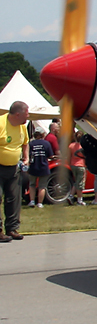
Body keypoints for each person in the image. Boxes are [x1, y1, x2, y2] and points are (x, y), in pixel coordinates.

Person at [0, 101, 30, 241]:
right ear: (18, 114)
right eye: (26, 113)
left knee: (14, 198)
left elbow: (25, 143)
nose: (28, 116)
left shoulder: (22, 127)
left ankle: (12, 229)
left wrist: (26, 157)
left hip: (14, 168)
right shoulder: (1, 123)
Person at [27, 129, 53, 207]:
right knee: (42, 186)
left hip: (33, 166)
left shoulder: (30, 144)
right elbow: (50, 155)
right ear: (42, 134)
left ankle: (32, 201)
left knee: (32, 185)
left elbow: (27, 155)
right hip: (43, 167)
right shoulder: (46, 143)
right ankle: (40, 203)